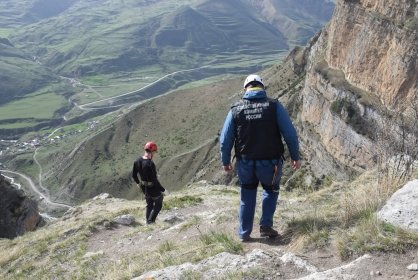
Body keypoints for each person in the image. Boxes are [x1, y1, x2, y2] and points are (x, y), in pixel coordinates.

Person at [220, 74, 301, 241]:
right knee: (271, 191)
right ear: (262, 88)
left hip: (245, 162)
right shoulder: (274, 106)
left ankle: (244, 233)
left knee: (247, 194)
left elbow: (225, 139)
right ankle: (265, 226)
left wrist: (226, 161)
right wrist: (295, 156)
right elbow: (290, 134)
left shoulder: (235, 109)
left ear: (246, 89)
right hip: (271, 163)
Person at [132, 141, 166, 224]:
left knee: (149, 204)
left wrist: (139, 184)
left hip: (144, 188)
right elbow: (154, 180)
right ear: (152, 152)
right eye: (154, 152)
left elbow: (134, 175)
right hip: (153, 188)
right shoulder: (150, 163)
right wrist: (163, 190)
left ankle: (148, 222)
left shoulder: (137, 161)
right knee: (158, 204)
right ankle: (151, 222)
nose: (155, 154)